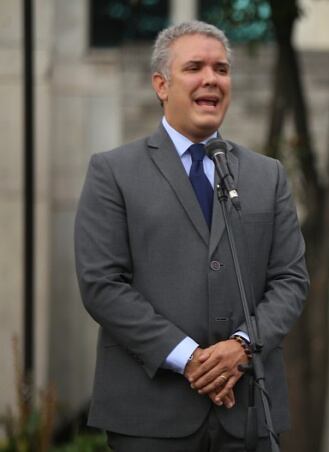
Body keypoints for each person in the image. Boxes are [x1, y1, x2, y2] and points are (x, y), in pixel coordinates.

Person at [74, 21, 308, 451]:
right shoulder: (113, 172)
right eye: (195, 67)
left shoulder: (267, 175)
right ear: (161, 84)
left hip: (249, 412)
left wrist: (242, 347)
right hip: (150, 416)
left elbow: (291, 281)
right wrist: (190, 359)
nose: (211, 79)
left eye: (221, 69)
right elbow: (101, 285)